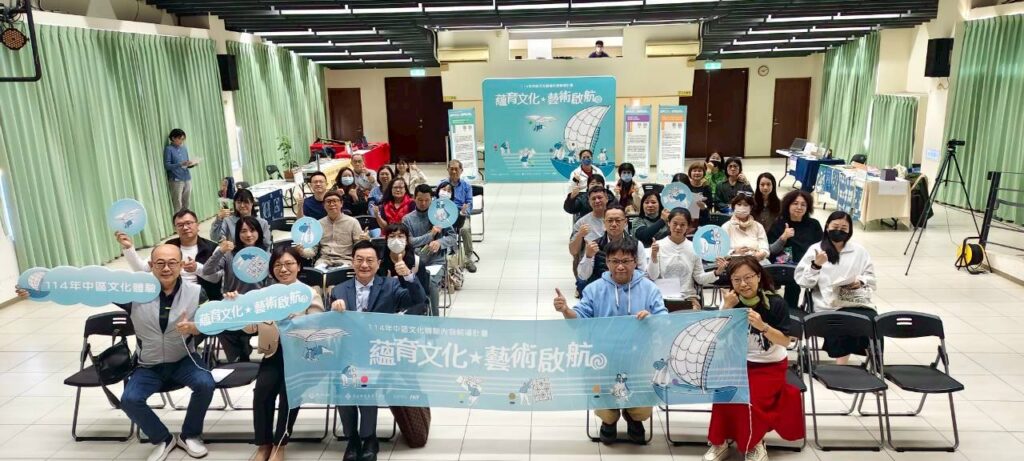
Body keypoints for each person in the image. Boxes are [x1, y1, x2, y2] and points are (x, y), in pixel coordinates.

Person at [20, 245, 214, 461]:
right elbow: (87, 289)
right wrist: (36, 290)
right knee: (130, 399)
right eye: (160, 263)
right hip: (148, 364)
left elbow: (211, 321)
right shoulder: (134, 292)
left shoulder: (197, 293)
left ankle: (190, 435)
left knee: (205, 384)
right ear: (151, 265)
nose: (166, 268)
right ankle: (163, 439)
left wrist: (195, 328)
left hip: (184, 359)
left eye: (172, 263)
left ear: (181, 265)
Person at [553, 238, 666, 445]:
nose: (620, 266)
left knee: (641, 408)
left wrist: (651, 318)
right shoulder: (594, 289)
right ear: (607, 262)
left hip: (638, 359)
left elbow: (664, 320)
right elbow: (578, 320)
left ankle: (633, 419)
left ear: (635, 262)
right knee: (604, 402)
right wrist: (566, 310)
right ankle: (609, 421)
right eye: (615, 261)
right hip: (602, 360)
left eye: (626, 261)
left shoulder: (649, 288)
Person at [330, 240, 427, 461]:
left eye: (369, 260)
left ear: (378, 263)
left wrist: (408, 276)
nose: (364, 265)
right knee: (343, 388)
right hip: (349, 355)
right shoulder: (339, 290)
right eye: (359, 260)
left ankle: (369, 438)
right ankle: (352, 439)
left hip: (380, 354)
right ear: (352, 262)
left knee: (365, 384)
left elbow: (418, 300)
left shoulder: (390, 286)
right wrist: (333, 308)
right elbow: (330, 327)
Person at [242, 246, 337, 461]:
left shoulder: (308, 293)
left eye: (288, 264)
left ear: (299, 266)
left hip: (300, 357)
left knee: (289, 396)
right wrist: (240, 308)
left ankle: (280, 445)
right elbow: (250, 328)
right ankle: (263, 444)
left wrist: (293, 324)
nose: (283, 269)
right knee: (261, 393)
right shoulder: (264, 295)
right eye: (277, 265)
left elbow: (317, 327)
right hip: (273, 354)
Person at [704, 256, 804, 461]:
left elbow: (785, 341)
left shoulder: (775, 303)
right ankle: (720, 442)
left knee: (750, 397)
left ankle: (755, 443)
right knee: (723, 392)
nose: (743, 284)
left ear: (758, 277)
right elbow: (714, 336)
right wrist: (726, 308)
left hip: (770, 365)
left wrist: (762, 326)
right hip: (738, 363)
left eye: (748, 277)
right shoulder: (731, 301)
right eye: (736, 279)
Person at [795, 211, 877, 365]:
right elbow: (803, 282)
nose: (839, 230)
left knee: (872, 319)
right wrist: (816, 265)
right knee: (844, 320)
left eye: (844, 228)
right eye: (835, 226)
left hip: (854, 300)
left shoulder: (859, 251)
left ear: (850, 231)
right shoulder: (816, 249)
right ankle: (842, 365)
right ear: (827, 227)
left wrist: (860, 281)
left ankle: (874, 362)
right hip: (827, 303)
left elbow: (871, 278)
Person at [201, 216, 273, 362]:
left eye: (252, 230)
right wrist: (220, 251)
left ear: (259, 232)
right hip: (234, 305)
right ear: (237, 234)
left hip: (259, 307)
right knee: (222, 326)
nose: (248, 235)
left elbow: (272, 285)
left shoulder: (266, 256)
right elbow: (207, 271)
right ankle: (238, 358)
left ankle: (269, 359)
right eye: (243, 231)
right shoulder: (229, 255)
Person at [117, 209, 222, 301]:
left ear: (197, 225)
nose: (185, 227)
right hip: (170, 296)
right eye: (180, 225)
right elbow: (143, 269)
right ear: (175, 229)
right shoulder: (169, 246)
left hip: (202, 297)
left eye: (189, 223)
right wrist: (128, 248)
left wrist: (197, 268)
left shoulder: (213, 248)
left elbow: (216, 278)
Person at [647, 208, 725, 311]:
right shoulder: (658, 246)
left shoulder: (694, 248)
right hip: (663, 297)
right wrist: (653, 256)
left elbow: (699, 278)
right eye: (675, 223)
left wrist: (716, 272)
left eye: (683, 224)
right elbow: (653, 276)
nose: (678, 228)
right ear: (669, 223)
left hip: (688, 297)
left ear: (688, 226)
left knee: (693, 312)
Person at [402, 184, 458, 312]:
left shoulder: (440, 215)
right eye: (420, 200)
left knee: (431, 283)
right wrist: (431, 235)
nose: (423, 203)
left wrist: (439, 242)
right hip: (415, 262)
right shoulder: (407, 219)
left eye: (427, 200)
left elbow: (452, 237)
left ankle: (435, 318)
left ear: (432, 199)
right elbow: (410, 242)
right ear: (414, 198)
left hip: (436, 262)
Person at [767, 190, 822, 309]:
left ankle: (791, 310)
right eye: (795, 203)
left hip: (807, 265)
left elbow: (821, 246)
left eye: (803, 204)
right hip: (782, 265)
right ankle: (780, 309)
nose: (799, 207)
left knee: (797, 278)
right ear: (788, 205)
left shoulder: (814, 224)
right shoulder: (779, 223)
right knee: (792, 276)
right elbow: (770, 250)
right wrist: (783, 237)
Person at [577, 205, 648, 288]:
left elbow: (643, 272)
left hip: (629, 288)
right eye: (610, 220)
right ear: (604, 223)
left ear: (625, 222)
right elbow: (583, 276)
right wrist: (588, 257)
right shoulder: (594, 245)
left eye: (618, 220)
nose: (614, 224)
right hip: (602, 289)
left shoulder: (637, 244)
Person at [300, 191, 367, 268]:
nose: (332, 204)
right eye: (328, 202)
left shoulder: (353, 222)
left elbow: (359, 247)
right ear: (324, 205)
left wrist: (364, 240)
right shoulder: (318, 224)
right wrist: (302, 251)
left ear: (341, 203)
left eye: (335, 201)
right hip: (324, 261)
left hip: (346, 261)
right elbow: (313, 250)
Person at [379, 223, 431, 315]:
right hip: (386, 307)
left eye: (400, 236)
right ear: (386, 240)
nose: (396, 240)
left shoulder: (417, 262)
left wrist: (408, 275)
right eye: (392, 236)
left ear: (406, 240)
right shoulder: (380, 263)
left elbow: (423, 296)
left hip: (411, 307)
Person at [438, 160, 477, 273]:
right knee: (438, 229)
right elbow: (436, 200)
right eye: (452, 169)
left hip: (461, 213)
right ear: (448, 170)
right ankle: (443, 257)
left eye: (456, 169)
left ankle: (467, 258)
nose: (454, 171)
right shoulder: (442, 184)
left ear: (461, 170)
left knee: (465, 229)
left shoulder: (466, 186)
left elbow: (469, 203)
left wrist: (464, 212)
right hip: (445, 213)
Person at [722, 194, 769, 263]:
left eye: (746, 205)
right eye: (739, 204)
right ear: (734, 206)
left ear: (751, 207)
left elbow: (764, 246)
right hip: (734, 263)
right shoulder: (726, 226)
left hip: (757, 262)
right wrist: (734, 252)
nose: (742, 207)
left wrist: (761, 254)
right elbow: (721, 251)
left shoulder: (758, 226)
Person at [165, 129, 196, 214]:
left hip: (187, 178)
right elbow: (167, 166)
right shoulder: (169, 149)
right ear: (173, 138)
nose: (182, 141)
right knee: (177, 202)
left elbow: (186, 163)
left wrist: (192, 164)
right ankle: (178, 220)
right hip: (176, 179)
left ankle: (187, 218)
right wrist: (180, 164)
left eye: (183, 139)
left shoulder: (184, 148)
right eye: (180, 139)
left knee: (187, 201)